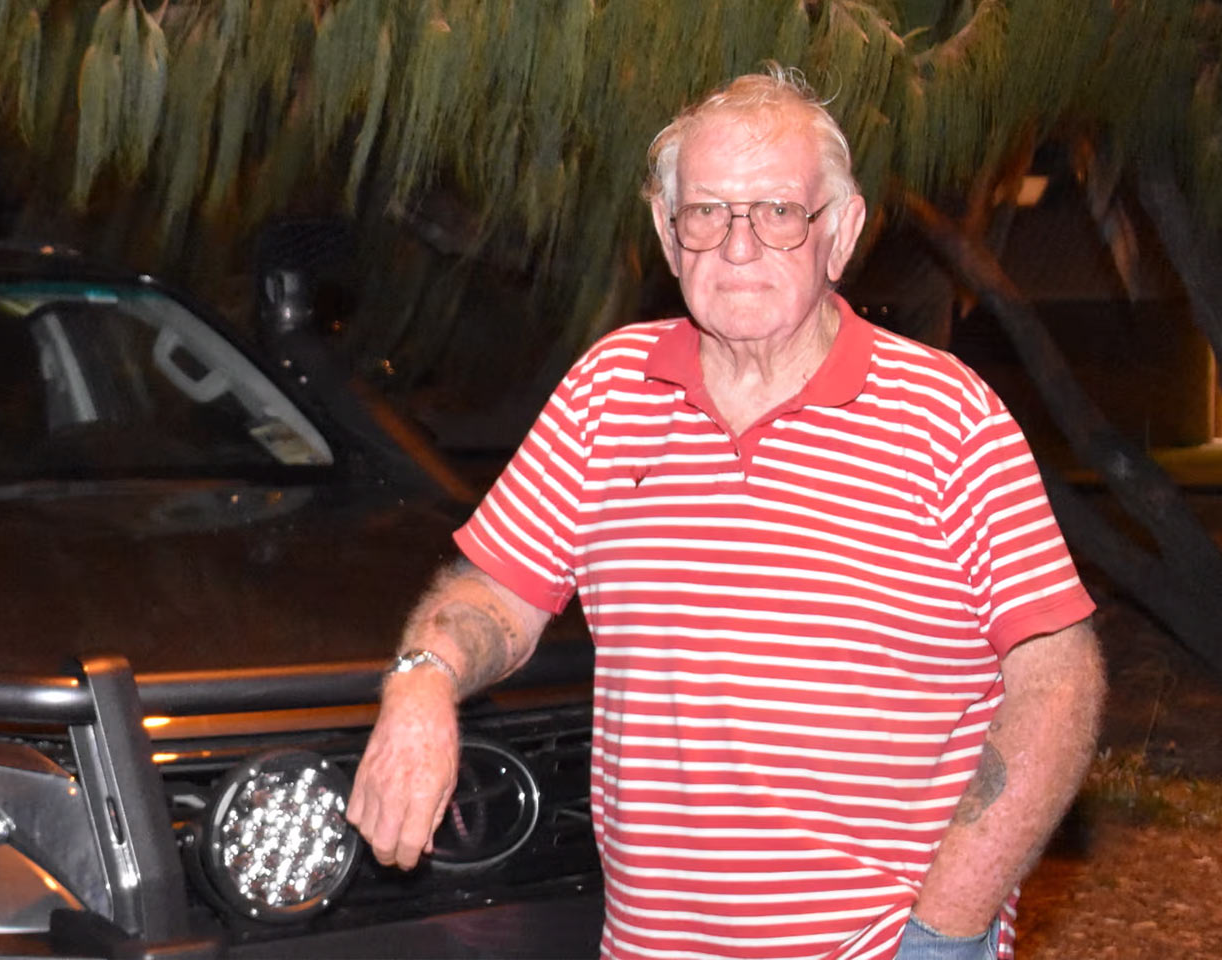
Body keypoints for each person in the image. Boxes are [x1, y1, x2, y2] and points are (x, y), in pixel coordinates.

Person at [347, 65, 1105, 960]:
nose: (738, 247)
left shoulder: (946, 419)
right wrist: (422, 681)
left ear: (841, 232)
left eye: (779, 212)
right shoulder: (608, 393)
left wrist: (944, 930)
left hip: (878, 944)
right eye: (706, 212)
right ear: (668, 236)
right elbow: (496, 596)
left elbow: (1058, 684)